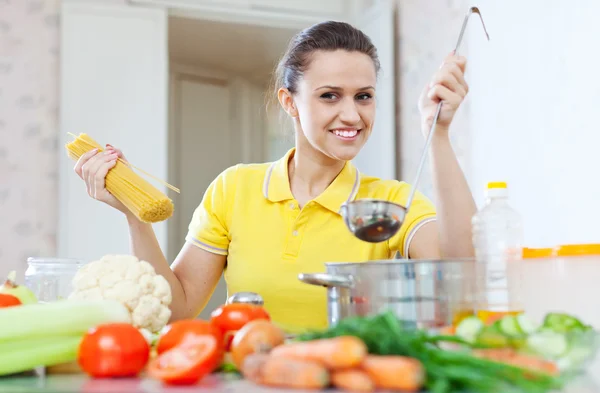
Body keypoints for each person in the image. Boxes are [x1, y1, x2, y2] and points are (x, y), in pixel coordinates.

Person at [74, 21, 476, 334]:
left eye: (364, 96)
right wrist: (134, 214)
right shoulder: (234, 189)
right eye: (329, 95)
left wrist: (437, 134)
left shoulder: (389, 204)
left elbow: (466, 273)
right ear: (290, 102)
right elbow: (175, 310)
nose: (352, 115)